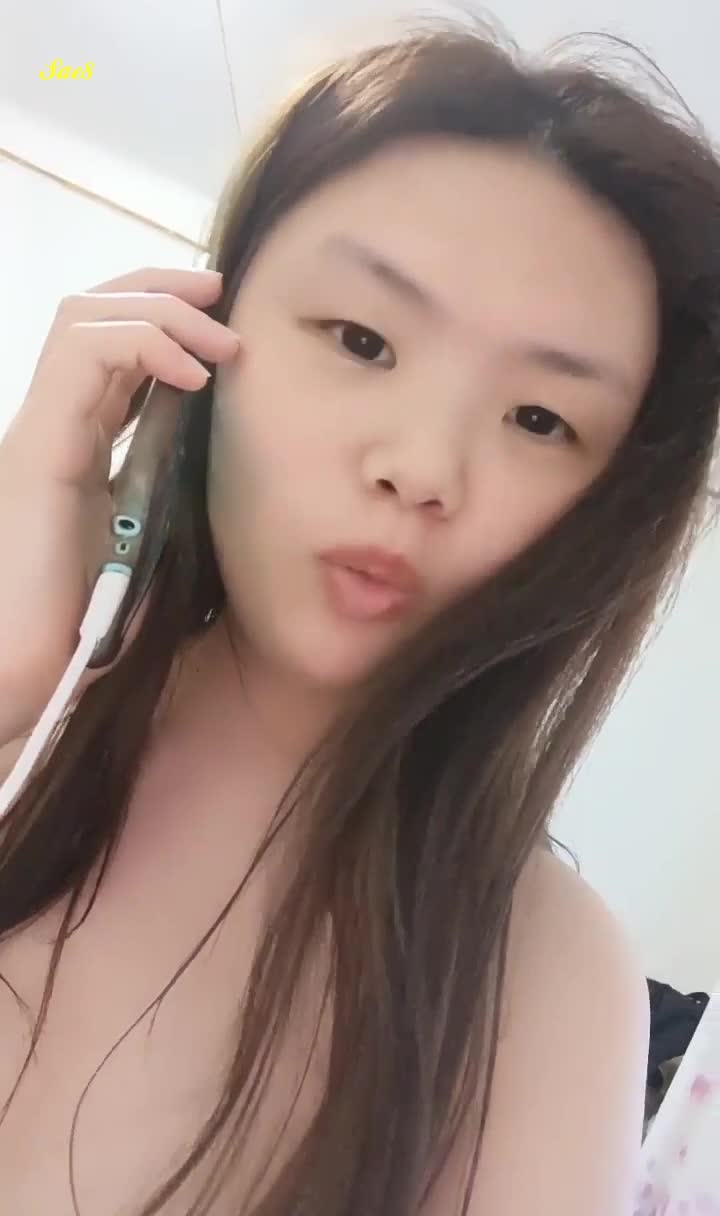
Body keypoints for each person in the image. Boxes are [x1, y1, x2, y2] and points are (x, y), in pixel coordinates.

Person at [0, 16, 718, 1216]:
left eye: (540, 420)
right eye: (363, 340)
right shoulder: (26, 726)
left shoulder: (541, 979)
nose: (422, 466)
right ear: (198, 343)